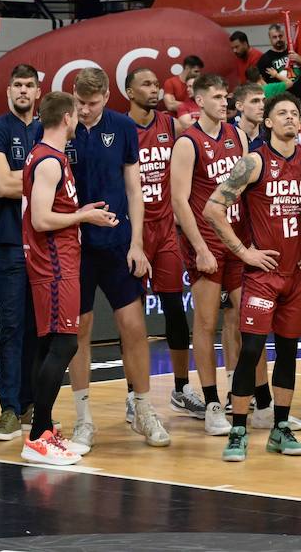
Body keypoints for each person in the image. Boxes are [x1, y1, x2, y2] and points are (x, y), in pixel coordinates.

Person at [205, 93, 301, 462]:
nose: (291, 119)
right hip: (262, 275)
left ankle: (280, 428)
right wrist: (244, 252)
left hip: (297, 275)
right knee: (251, 350)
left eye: (296, 113)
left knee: (290, 352)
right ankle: (239, 429)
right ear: (269, 123)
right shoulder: (253, 163)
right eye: (283, 114)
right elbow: (213, 207)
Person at [66, 68, 168, 453]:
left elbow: (134, 187)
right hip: (77, 246)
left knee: (134, 326)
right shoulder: (63, 125)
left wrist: (137, 243)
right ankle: (84, 419)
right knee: (80, 329)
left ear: (107, 97)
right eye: (80, 102)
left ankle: (144, 410)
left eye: (92, 104)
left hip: (118, 242)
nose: (86, 110)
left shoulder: (123, 127)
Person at [20, 92, 117, 466]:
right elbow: (42, 220)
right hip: (54, 263)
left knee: (51, 346)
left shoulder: (50, 157)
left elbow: (51, 210)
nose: (79, 119)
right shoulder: (47, 160)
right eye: (76, 114)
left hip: (57, 260)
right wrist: (82, 219)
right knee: (63, 345)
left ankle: (42, 429)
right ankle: (39, 435)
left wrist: (80, 210)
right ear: (65, 118)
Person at [169, 73, 247, 437]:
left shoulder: (239, 136)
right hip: (205, 241)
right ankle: (212, 401)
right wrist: (199, 246)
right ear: (199, 101)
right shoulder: (188, 142)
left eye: (226, 96)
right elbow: (179, 200)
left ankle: (237, 394)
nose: (223, 102)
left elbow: (246, 191)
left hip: (235, 237)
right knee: (206, 322)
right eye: (216, 97)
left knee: (243, 318)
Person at [126, 68, 205, 419]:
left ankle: (180, 388)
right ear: (129, 91)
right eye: (146, 84)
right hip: (135, 232)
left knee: (175, 309)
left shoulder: (170, 125)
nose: (154, 89)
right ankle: (134, 393)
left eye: (157, 84)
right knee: (133, 317)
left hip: (166, 229)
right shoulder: (120, 129)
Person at [0, 65, 41, 442]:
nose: (22, 91)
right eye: (17, 84)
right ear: (8, 91)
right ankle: (8, 408)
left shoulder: (49, 129)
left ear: (38, 91)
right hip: (8, 241)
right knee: (13, 326)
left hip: (47, 242)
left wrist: (32, 181)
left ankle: (33, 404)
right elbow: (1, 184)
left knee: (41, 329)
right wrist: (48, 180)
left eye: (29, 85)